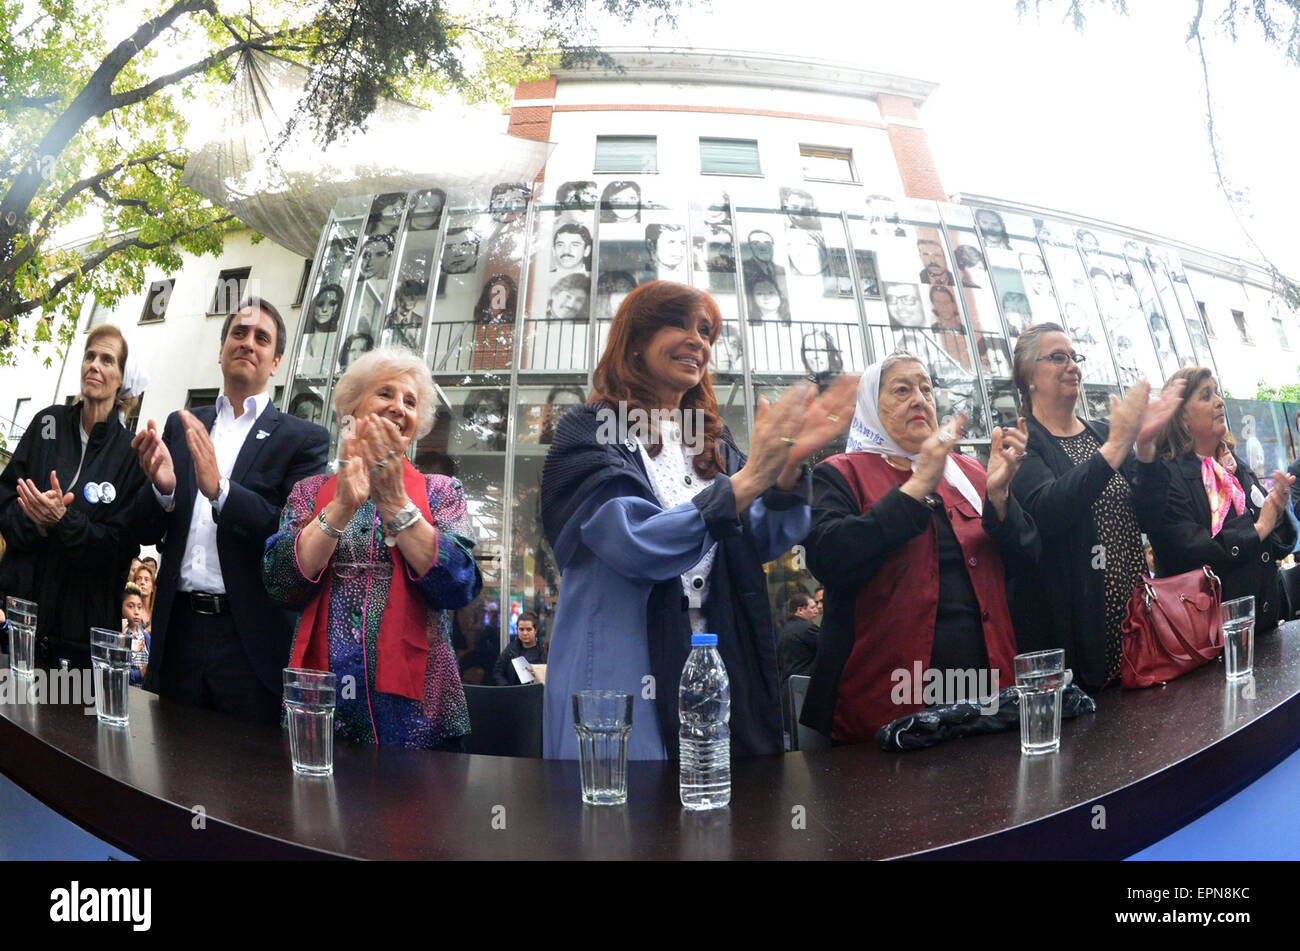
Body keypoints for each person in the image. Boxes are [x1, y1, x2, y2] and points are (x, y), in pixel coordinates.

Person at [539, 280, 857, 760]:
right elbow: (632, 542)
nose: (698, 341)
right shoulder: (589, 427)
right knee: (623, 818)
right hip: (619, 664)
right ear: (636, 341)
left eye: (706, 331)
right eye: (678, 324)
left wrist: (788, 470)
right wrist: (751, 480)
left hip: (714, 660)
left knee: (718, 813)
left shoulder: (713, 439)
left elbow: (763, 538)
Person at [800, 354, 1039, 742]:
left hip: (987, 694)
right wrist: (914, 487)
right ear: (870, 407)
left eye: (927, 389)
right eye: (902, 389)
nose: (920, 399)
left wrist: (999, 497)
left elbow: (1027, 557)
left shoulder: (972, 472)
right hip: (886, 701)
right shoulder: (840, 472)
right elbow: (830, 558)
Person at [264, 346, 481, 749]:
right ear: (352, 406)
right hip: (323, 708)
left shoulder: (441, 492)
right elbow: (281, 583)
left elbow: (460, 584)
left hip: (421, 717)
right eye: (386, 394)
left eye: (410, 401)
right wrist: (342, 506)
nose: (399, 407)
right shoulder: (309, 493)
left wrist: (397, 504)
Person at [128, 297, 330, 725]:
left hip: (248, 640)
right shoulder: (182, 425)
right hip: (176, 630)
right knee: (165, 763)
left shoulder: (303, 439)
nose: (247, 343)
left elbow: (292, 535)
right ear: (221, 350)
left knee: (244, 781)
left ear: (275, 362)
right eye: (238, 333)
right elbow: (145, 528)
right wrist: (163, 489)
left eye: (262, 338)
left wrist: (221, 491)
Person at [1008, 323, 1185, 691]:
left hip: (1139, 627)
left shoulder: (1103, 433)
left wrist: (1147, 450)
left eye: (1075, 357)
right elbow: (1047, 513)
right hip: (1077, 633)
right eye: (1058, 357)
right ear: (1028, 376)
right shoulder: (1023, 442)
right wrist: (1117, 447)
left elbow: (1152, 517)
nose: (1072, 365)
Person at [0, 324, 147, 669]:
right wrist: (35, 522)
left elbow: (118, 547)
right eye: (89, 356)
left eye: (107, 360)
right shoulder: (46, 424)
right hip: (16, 623)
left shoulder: (130, 454)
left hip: (76, 640)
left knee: (59, 722)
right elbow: (4, 500)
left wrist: (63, 521)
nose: (94, 365)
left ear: (122, 379)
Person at [1141, 367, 1296, 634]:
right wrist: (1259, 529)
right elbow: (1193, 551)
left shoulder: (1235, 466)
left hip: (1265, 624)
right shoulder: (1166, 476)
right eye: (1205, 395)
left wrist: (1278, 514)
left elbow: (1276, 544)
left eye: (1217, 392)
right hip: (1209, 640)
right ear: (1181, 417)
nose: (1219, 401)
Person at [492, 611, 547, 685]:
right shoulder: (511, 649)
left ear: (535, 630)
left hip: (540, 693)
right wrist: (508, 688)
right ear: (517, 630)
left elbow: (556, 672)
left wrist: (539, 672)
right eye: (521, 629)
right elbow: (497, 672)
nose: (525, 633)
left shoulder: (545, 649)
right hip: (516, 693)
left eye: (528, 629)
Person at [778, 592, 820, 685]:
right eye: (812, 608)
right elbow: (829, 649)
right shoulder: (807, 629)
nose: (816, 611)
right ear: (800, 610)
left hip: (788, 685)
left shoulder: (785, 629)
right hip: (805, 685)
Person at [121, 582, 150, 686]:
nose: (136, 611)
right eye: (131, 606)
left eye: (139, 607)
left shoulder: (146, 637)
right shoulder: (119, 634)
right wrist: (140, 674)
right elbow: (118, 673)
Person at [131, 561, 156, 633]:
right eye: (138, 579)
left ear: (153, 587)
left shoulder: (157, 612)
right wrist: (147, 632)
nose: (142, 582)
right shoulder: (129, 609)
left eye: (146, 580)